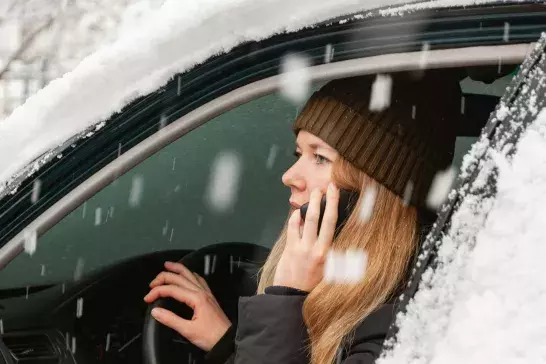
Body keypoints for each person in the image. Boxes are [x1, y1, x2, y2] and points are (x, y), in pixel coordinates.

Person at [143, 72, 460, 364]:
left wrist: (287, 297)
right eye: (299, 154)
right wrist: (227, 343)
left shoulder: (401, 330)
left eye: (321, 158)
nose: (289, 176)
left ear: (373, 191)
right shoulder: (365, 296)